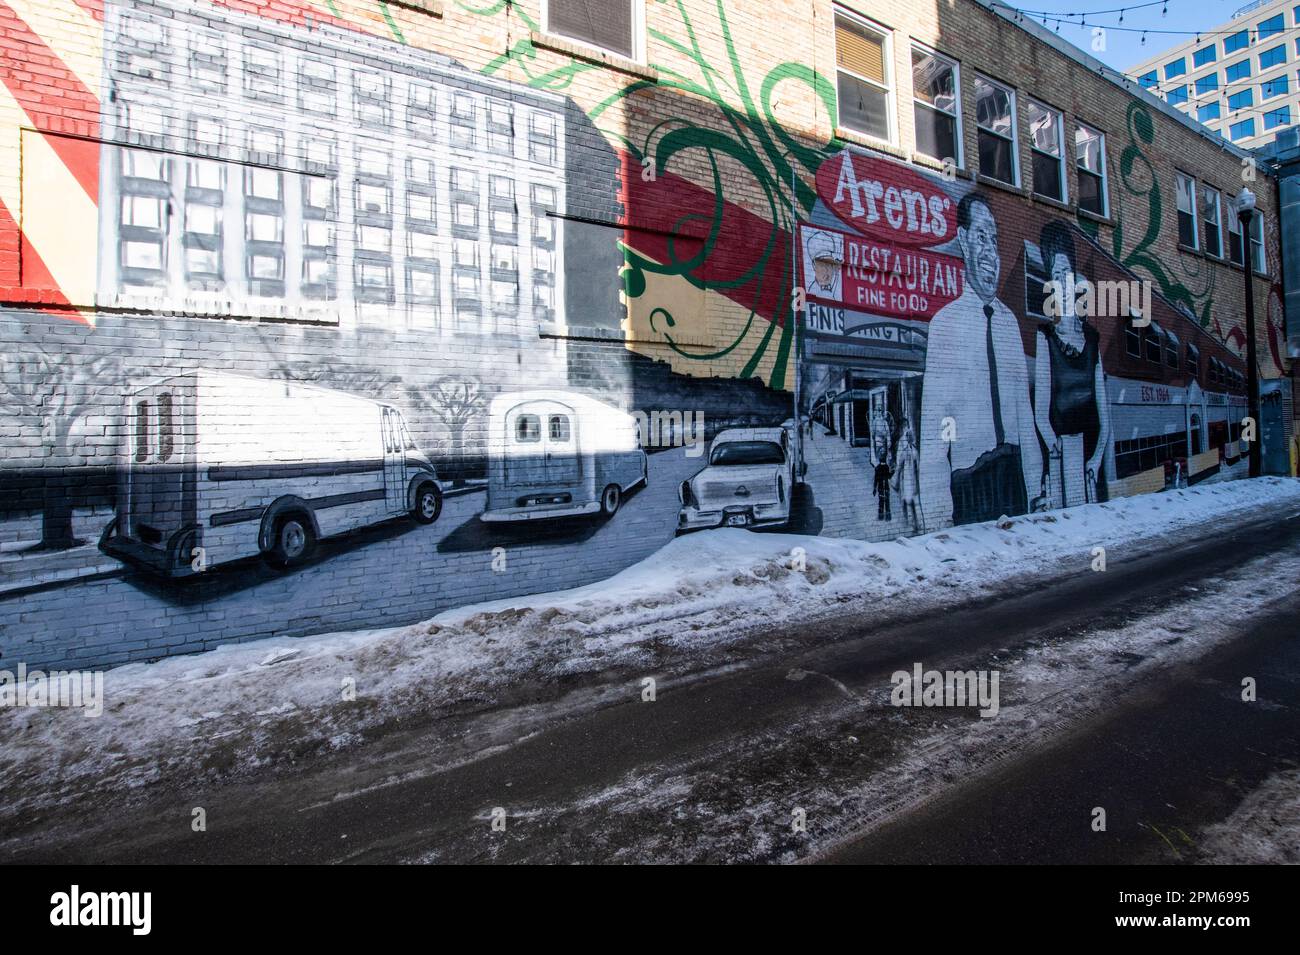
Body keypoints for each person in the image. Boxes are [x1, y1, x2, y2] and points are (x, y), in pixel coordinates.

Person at [917, 191, 1041, 530]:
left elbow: (1024, 417)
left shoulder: (1009, 323)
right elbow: (934, 430)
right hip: (971, 483)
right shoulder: (945, 324)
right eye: (981, 236)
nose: (990, 250)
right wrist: (938, 515)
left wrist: (1036, 485)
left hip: (1013, 479)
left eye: (995, 240)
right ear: (963, 239)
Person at [1032, 222, 1111, 507]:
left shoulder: (1092, 339)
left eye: (1066, 273)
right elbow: (1041, 414)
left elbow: (1105, 418)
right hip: (1062, 460)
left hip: (1090, 460)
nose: (1062, 282)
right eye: (1055, 275)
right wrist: (1057, 454)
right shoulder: (1046, 339)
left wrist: (1095, 460)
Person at [893, 425, 922, 534]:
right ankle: (906, 520)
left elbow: (917, 468)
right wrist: (896, 480)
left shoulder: (915, 451)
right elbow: (900, 466)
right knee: (906, 500)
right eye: (909, 436)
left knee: (912, 501)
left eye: (911, 436)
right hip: (905, 479)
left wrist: (917, 483)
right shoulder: (905, 452)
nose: (911, 438)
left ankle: (914, 523)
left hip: (912, 479)